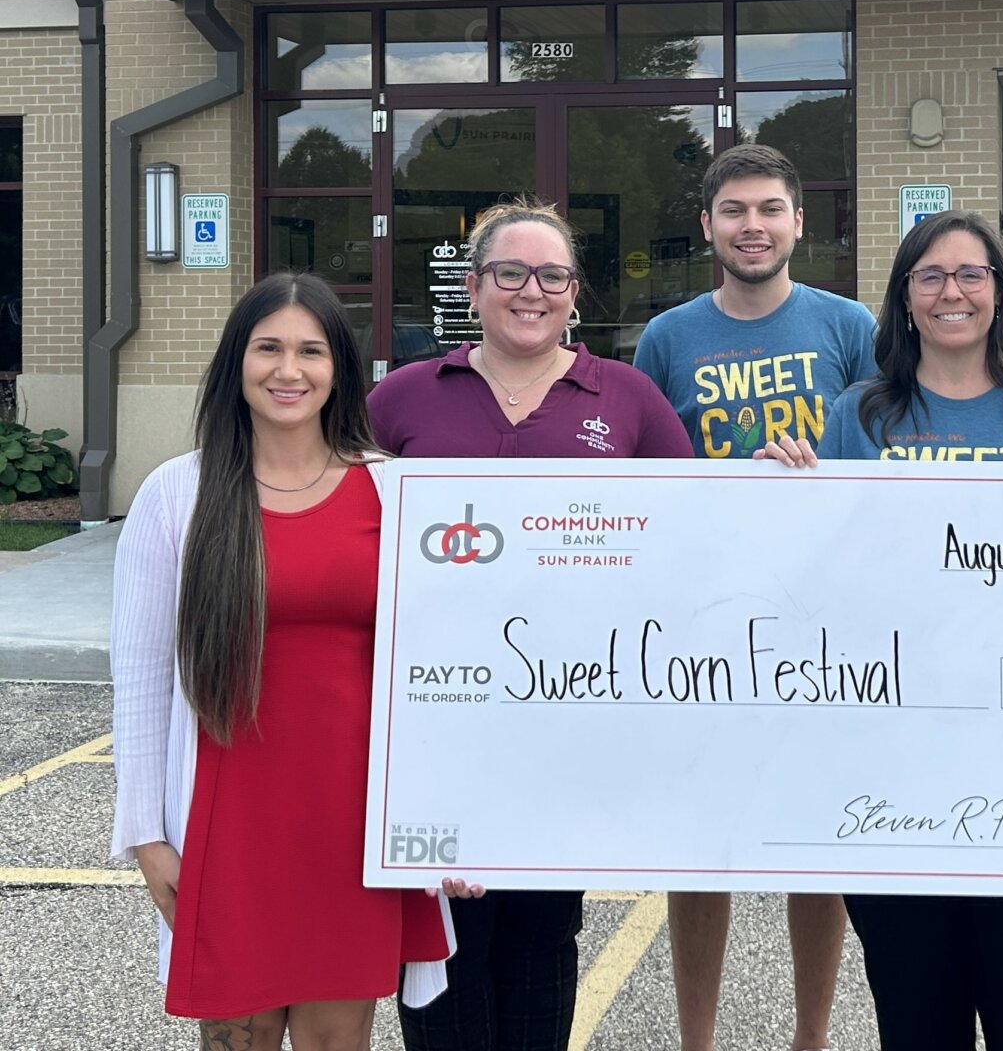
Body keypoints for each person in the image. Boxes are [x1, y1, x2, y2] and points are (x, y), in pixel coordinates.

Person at [765, 209, 1003, 1051]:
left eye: (970, 274)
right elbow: (816, 582)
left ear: (999, 292)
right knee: (918, 1018)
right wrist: (779, 500)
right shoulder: (859, 416)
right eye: (931, 276)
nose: (951, 292)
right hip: (894, 770)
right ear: (905, 298)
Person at [368, 199, 692, 1051]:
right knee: (443, 942)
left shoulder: (628, 397)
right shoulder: (402, 398)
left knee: (542, 939)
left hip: (569, 724)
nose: (531, 291)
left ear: (575, 292)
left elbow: (692, 534)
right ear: (474, 288)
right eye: (510, 272)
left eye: (552, 275)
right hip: (436, 722)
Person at [110, 273, 453, 1051]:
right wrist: (145, 836)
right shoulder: (178, 495)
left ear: (340, 370)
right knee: (243, 1034)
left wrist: (445, 821)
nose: (288, 370)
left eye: (311, 351)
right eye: (268, 348)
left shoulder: (394, 491)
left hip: (352, 825)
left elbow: (437, 676)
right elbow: (139, 678)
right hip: (228, 823)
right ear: (237, 362)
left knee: (338, 1040)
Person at [632, 143, 876, 1051]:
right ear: (707, 225)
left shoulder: (848, 325)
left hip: (822, 614)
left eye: (770, 208)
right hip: (706, 618)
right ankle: (696, 1041)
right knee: (703, 844)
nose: (753, 226)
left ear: (799, 222)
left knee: (815, 839)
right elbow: (648, 480)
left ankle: (811, 1037)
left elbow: (881, 457)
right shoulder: (668, 338)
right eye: (734, 210)